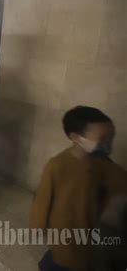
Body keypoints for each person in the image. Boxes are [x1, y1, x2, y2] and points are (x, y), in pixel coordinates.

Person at [30, 106, 127, 271]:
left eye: (110, 137)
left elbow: (120, 180)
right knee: (65, 261)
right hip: (64, 234)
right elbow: (42, 200)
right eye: (102, 138)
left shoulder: (102, 164)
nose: (107, 143)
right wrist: (37, 227)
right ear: (76, 137)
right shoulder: (57, 165)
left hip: (88, 230)